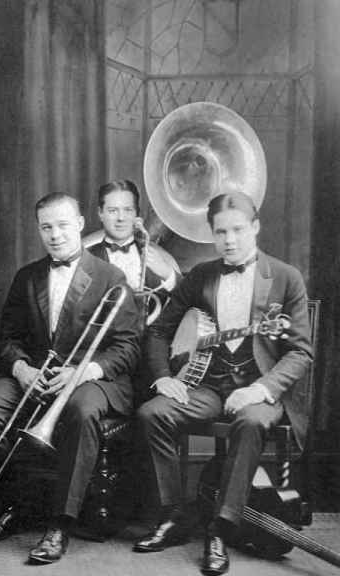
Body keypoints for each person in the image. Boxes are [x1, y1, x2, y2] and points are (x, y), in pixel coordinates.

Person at [133, 192, 312, 576]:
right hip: (208, 385)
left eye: (238, 230)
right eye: (220, 232)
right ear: (212, 234)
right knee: (153, 414)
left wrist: (261, 389)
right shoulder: (201, 275)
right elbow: (160, 330)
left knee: (250, 422)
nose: (229, 240)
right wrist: (164, 377)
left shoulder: (285, 276)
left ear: (256, 227)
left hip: (261, 387)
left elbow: (300, 353)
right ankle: (175, 512)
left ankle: (220, 526)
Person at [0, 193, 140, 564]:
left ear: (79, 224)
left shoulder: (112, 277)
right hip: (36, 375)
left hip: (94, 379)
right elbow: (8, 338)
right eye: (46, 227)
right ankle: (13, 503)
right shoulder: (27, 277)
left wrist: (84, 372)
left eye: (62, 225)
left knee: (81, 412)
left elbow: (128, 347)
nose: (55, 235)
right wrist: (21, 369)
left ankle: (61, 523)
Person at [89, 179, 179, 303]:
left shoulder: (156, 257)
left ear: (137, 213)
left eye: (128, 210)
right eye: (113, 211)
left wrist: (168, 274)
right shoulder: (85, 259)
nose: (121, 218)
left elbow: (184, 299)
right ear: (100, 213)